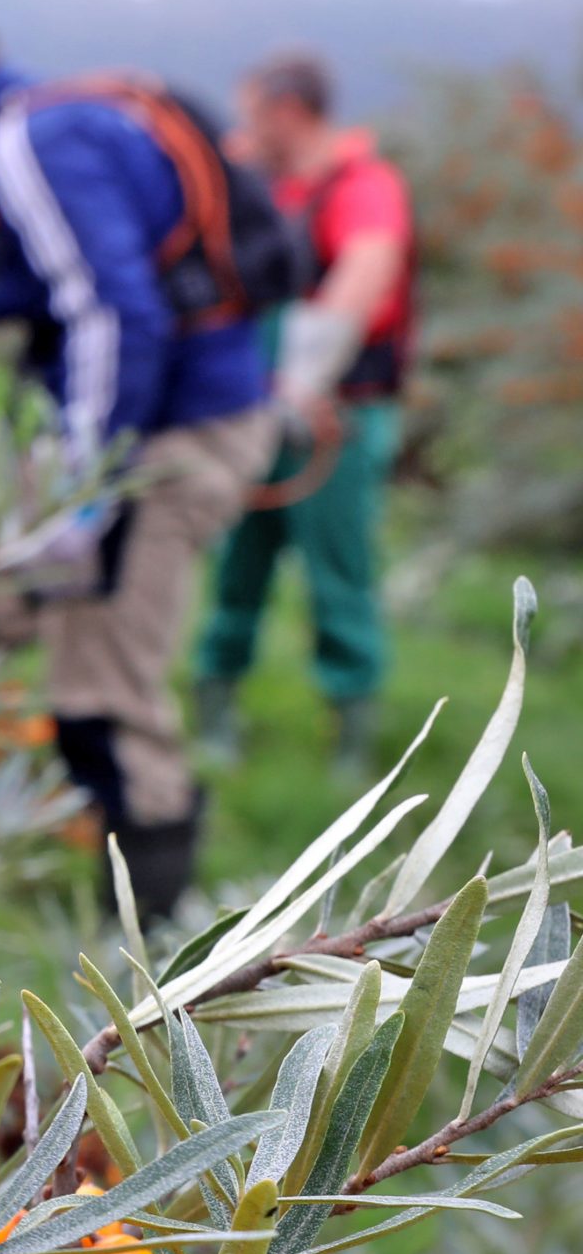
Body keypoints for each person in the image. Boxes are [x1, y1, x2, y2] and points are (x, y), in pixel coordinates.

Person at [0, 14, 281, 917]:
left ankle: (146, 973)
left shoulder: (27, 138)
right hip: (140, 428)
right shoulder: (37, 135)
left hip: (158, 444)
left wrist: (84, 494)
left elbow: (111, 312)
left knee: (104, 702)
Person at [194, 49, 415, 774]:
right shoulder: (270, 187)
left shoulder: (363, 186)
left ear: (288, 111)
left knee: (338, 577)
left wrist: (300, 378)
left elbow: (365, 274)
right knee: (236, 571)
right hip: (255, 415)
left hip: (334, 422)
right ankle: (215, 715)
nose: (246, 129)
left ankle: (351, 742)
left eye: (255, 113)